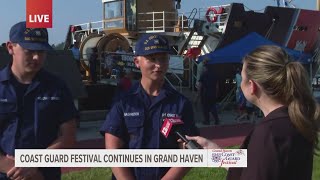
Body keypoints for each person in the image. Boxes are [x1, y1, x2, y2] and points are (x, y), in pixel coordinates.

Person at [186, 45, 320, 180]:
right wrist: (214, 151)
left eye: (243, 79)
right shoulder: (295, 120)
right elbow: (256, 162)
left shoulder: (269, 133)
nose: (240, 84)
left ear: (252, 86)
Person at [100, 34, 199, 180]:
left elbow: (190, 153)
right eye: (152, 59)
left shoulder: (181, 104)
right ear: (137, 62)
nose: (158, 65)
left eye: (163, 59)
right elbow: (113, 149)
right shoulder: (123, 102)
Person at [0, 21, 78, 180]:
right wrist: (8, 166)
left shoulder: (57, 87)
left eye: (41, 52)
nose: (36, 57)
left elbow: (68, 136)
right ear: (10, 47)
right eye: (29, 51)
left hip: (43, 175)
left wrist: (34, 164)